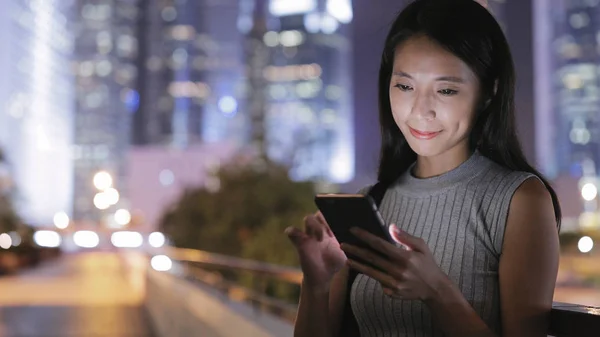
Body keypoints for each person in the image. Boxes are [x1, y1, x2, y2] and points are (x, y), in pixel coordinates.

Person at [284, 0, 562, 336]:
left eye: (445, 90)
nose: (420, 110)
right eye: (405, 86)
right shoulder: (371, 202)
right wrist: (315, 284)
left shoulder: (520, 200)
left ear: (489, 92)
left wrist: (436, 291)